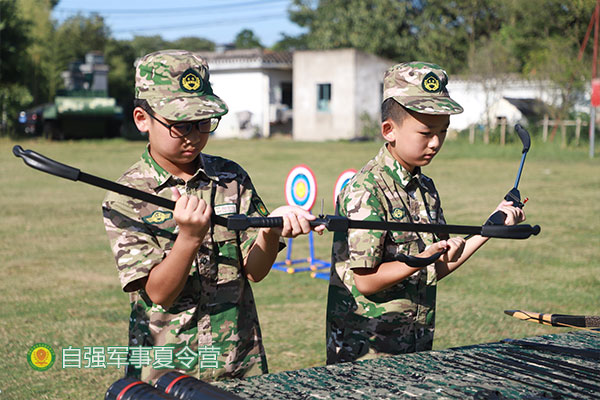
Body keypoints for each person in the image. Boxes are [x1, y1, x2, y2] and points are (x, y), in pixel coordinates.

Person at [102, 49, 323, 383]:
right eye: (180, 125)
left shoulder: (230, 177)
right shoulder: (125, 197)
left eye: (203, 122)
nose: (194, 136)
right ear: (141, 119)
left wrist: (271, 230)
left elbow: (255, 271)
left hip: (237, 359)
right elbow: (158, 294)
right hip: (168, 370)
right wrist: (189, 238)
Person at [325, 61, 525, 364]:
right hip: (366, 352)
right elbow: (365, 281)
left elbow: (435, 267)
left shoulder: (424, 187)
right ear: (389, 130)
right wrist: (418, 260)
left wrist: (490, 228)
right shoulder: (366, 189)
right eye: (426, 132)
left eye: (443, 132)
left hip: (415, 343)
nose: (435, 143)